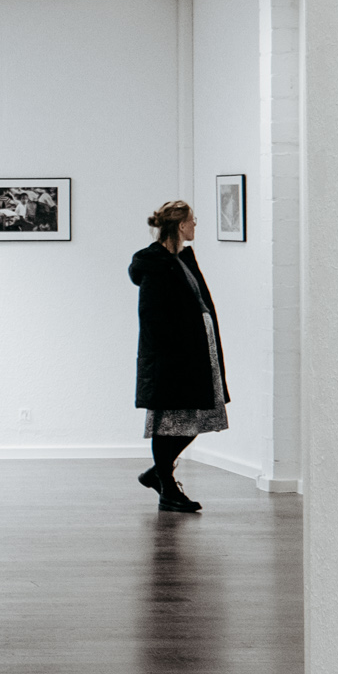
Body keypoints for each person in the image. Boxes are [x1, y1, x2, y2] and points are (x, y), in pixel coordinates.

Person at [128, 198, 229, 514]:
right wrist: (173, 356)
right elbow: (152, 318)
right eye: (192, 219)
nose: (195, 224)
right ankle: (167, 487)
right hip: (173, 359)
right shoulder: (156, 264)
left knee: (200, 417)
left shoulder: (182, 258)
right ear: (181, 225)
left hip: (196, 353)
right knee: (168, 423)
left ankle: (158, 474)